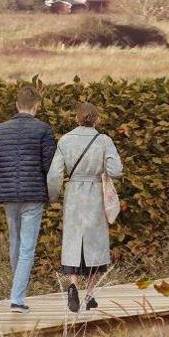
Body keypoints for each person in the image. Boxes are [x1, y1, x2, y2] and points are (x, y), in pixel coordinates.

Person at [0, 85, 57, 312]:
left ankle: (18, 291)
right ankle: (17, 298)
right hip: (33, 195)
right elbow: (50, 166)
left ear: (17, 105)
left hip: (8, 196)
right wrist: (53, 194)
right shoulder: (44, 130)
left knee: (15, 242)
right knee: (27, 247)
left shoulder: (0, 131)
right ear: (36, 106)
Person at [48, 101, 123, 312]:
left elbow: (54, 174)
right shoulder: (104, 140)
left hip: (73, 193)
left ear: (76, 118)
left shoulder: (65, 140)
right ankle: (90, 294)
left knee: (73, 239)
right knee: (94, 242)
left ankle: (72, 285)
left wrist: (53, 196)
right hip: (94, 194)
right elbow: (116, 170)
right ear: (97, 119)